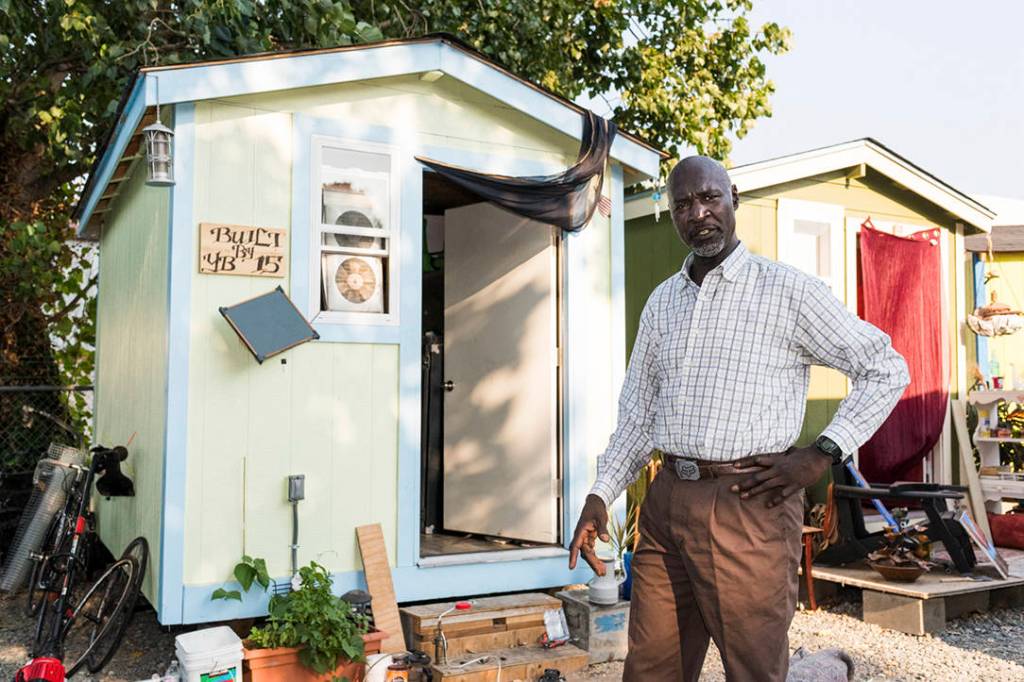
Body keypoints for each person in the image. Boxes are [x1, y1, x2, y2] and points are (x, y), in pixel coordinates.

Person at [568, 156, 910, 681]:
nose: (698, 212)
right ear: (672, 213)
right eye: (683, 203)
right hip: (667, 505)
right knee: (651, 667)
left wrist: (823, 452)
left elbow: (885, 367)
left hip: (749, 504)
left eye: (709, 197)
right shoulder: (663, 303)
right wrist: (600, 494)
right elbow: (637, 413)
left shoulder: (788, 291)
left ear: (734, 200)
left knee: (752, 669)